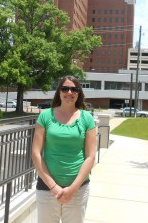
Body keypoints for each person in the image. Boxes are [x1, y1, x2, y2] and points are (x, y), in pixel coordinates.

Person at [32, 76, 97, 223]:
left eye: (74, 89)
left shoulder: (87, 118)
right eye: (65, 88)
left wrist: (72, 189)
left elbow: (91, 156)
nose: (69, 92)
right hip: (47, 188)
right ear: (59, 92)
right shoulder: (45, 116)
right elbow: (36, 154)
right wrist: (54, 187)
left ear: (78, 93)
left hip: (78, 190)